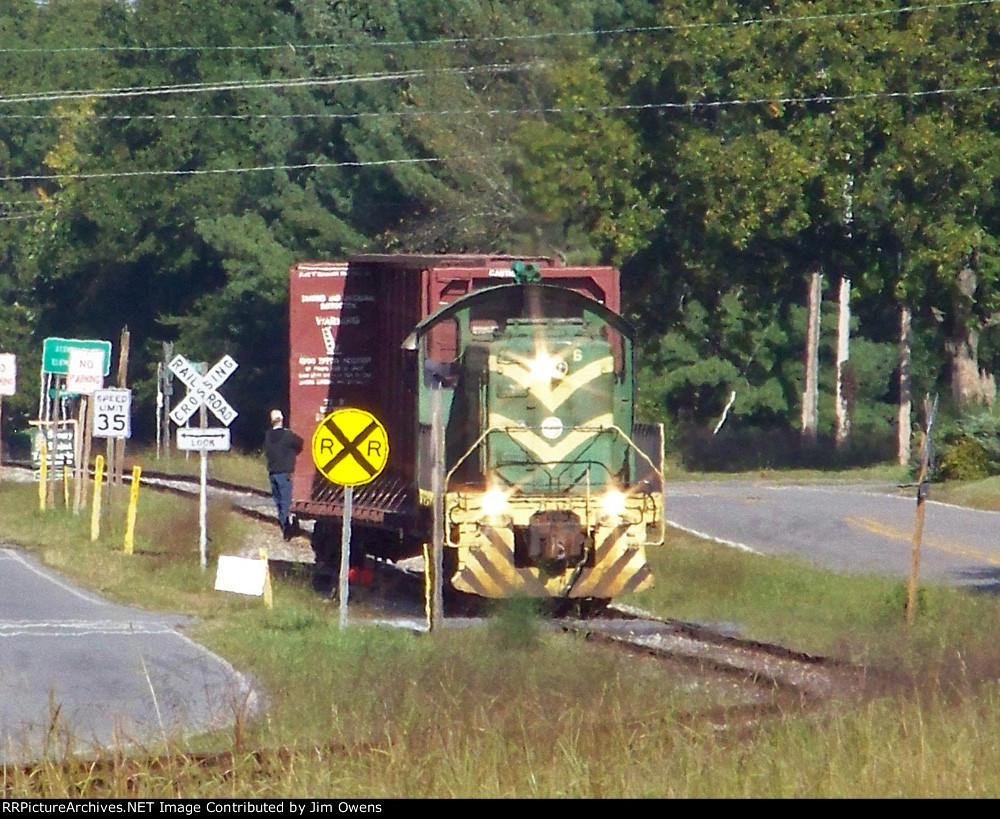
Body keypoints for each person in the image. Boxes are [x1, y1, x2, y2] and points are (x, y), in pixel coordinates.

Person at [264, 409, 303, 540]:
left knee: (278, 502)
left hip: (272, 472)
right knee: (286, 502)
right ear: (282, 419)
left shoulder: (268, 435)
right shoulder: (288, 436)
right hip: (285, 473)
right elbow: (300, 443)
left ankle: (284, 525)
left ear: (271, 421)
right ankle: (287, 529)